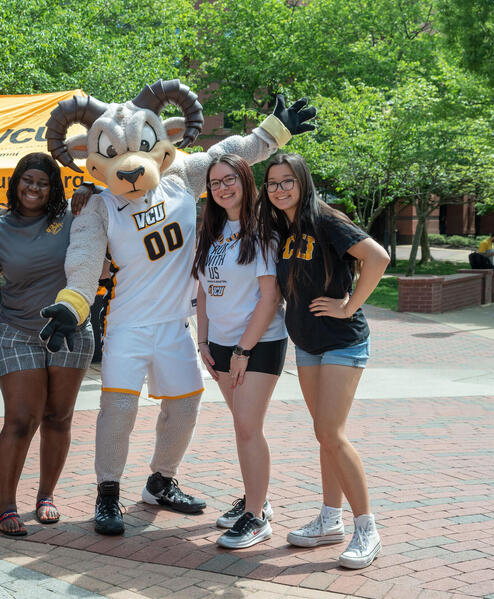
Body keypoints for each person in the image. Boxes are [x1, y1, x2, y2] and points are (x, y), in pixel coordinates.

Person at [261, 153, 389, 569]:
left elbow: (378, 257)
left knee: (332, 433)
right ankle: (329, 521)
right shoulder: (282, 226)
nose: (280, 189)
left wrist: (350, 306)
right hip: (307, 344)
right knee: (323, 434)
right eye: (273, 183)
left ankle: (366, 529)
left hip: (341, 342)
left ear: (303, 182)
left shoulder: (325, 218)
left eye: (287, 181)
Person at [0, 153, 95, 536]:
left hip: (71, 330)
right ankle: (6, 505)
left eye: (42, 182)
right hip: (18, 330)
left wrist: (89, 186)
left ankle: (46, 495)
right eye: (27, 180)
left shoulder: (72, 217)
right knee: (20, 420)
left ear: (53, 188)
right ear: (16, 182)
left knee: (57, 418)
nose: (33, 188)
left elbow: (110, 196)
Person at [192, 155, 287, 549]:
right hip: (220, 345)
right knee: (244, 429)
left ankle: (256, 514)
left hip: (258, 344)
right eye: (214, 182)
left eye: (229, 179)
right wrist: (203, 341)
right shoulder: (213, 229)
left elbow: (270, 297)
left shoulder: (262, 231)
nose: (222, 187)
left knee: (248, 428)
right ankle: (254, 499)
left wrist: (243, 350)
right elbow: (202, 288)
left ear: (247, 181)